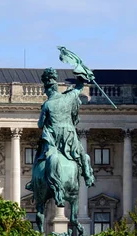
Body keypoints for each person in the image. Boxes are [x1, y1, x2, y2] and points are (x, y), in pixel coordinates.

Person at [26, 67, 95, 205]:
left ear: (48, 90)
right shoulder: (68, 97)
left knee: (40, 155)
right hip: (69, 135)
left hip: (53, 136)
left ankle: (33, 181)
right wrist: (83, 76)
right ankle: (88, 175)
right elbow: (80, 87)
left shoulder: (47, 104)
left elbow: (40, 124)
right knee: (81, 153)